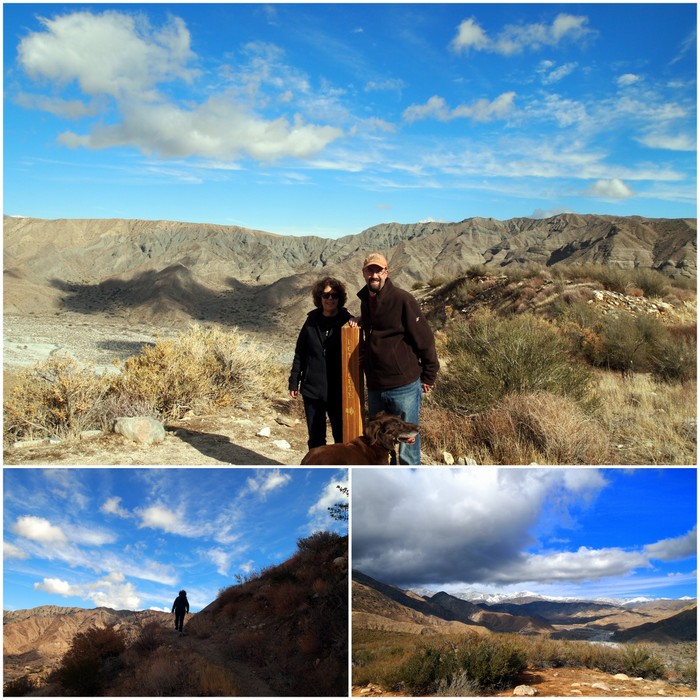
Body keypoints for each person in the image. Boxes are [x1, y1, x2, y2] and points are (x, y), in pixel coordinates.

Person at [354, 253, 439, 465]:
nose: (374, 275)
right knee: (380, 443)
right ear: (364, 273)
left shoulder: (403, 299)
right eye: (369, 270)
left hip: (404, 386)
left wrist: (429, 375)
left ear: (386, 272)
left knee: (407, 446)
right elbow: (378, 328)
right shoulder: (366, 299)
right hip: (375, 386)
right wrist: (361, 320)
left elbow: (424, 339)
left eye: (378, 270)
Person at [289, 277, 353, 449]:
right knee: (316, 439)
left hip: (338, 391)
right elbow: (300, 353)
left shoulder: (349, 322)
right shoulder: (311, 321)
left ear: (340, 298)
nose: (330, 298)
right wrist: (294, 381)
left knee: (342, 438)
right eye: (326, 295)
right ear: (319, 298)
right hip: (312, 389)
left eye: (334, 295)